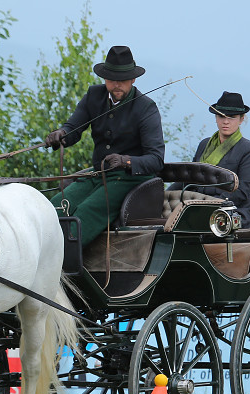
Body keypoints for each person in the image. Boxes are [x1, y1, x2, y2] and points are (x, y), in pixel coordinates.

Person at [45, 45, 165, 247]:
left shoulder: (147, 108)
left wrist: (125, 161)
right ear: (104, 79)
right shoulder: (94, 95)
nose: (116, 85)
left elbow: (156, 159)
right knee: (53, 208)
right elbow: (73, 128)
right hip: (98, 173)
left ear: (133, 79)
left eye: (122, 80)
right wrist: (61, 134)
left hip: (132, 179)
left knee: (84, 213)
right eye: (111, 80)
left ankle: (64, 267)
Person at [187, 91, 250, 228]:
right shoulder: (204, 144)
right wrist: (165, 195)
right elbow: (190, 177)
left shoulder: (249, 150)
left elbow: (242, 190)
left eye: (231, 117)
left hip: (232, 211)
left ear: (241, 119)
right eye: (221, 116)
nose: (225, 121)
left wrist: (211, 205)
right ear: (215, 117)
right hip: (197, 206)